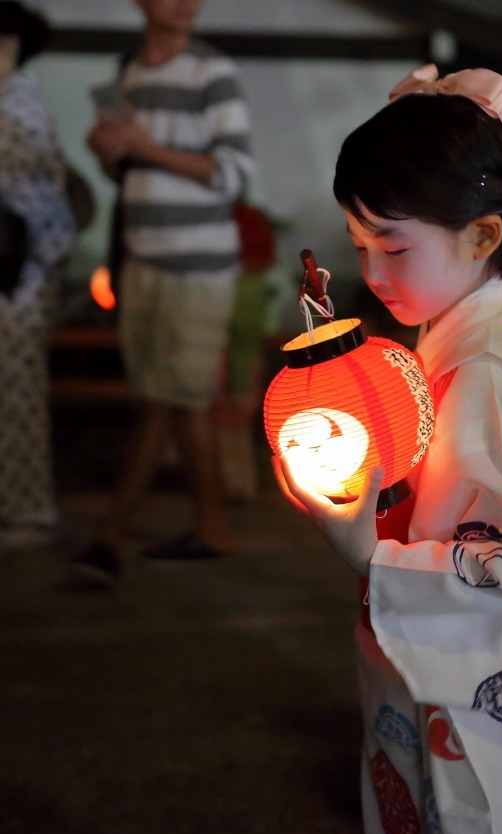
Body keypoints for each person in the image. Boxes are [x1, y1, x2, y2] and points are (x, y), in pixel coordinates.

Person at [276, 64, 502, 834]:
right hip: (474, 638)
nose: (372, 274)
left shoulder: (477, 370)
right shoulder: (491, 325)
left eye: (395, 247)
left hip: (482, 665)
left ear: (483, 235)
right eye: (361, 245)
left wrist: (370, 553)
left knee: (479, 818)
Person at [77, 0, 253, 578]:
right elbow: (131, 171)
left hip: (197, 264)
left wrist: (141, 145)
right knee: (161, 397)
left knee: (182, 398)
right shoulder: (129, 69)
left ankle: (174, 529)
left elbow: (233, 174)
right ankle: (134, 531)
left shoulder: (212, 71)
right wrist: (110, 153)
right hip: (142, 257)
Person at [0, 1, 75, 552]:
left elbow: (40, 194)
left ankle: (25, 512)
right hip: (21, 260)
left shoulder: (18, 107)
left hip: (21, 268)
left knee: (17, 393)